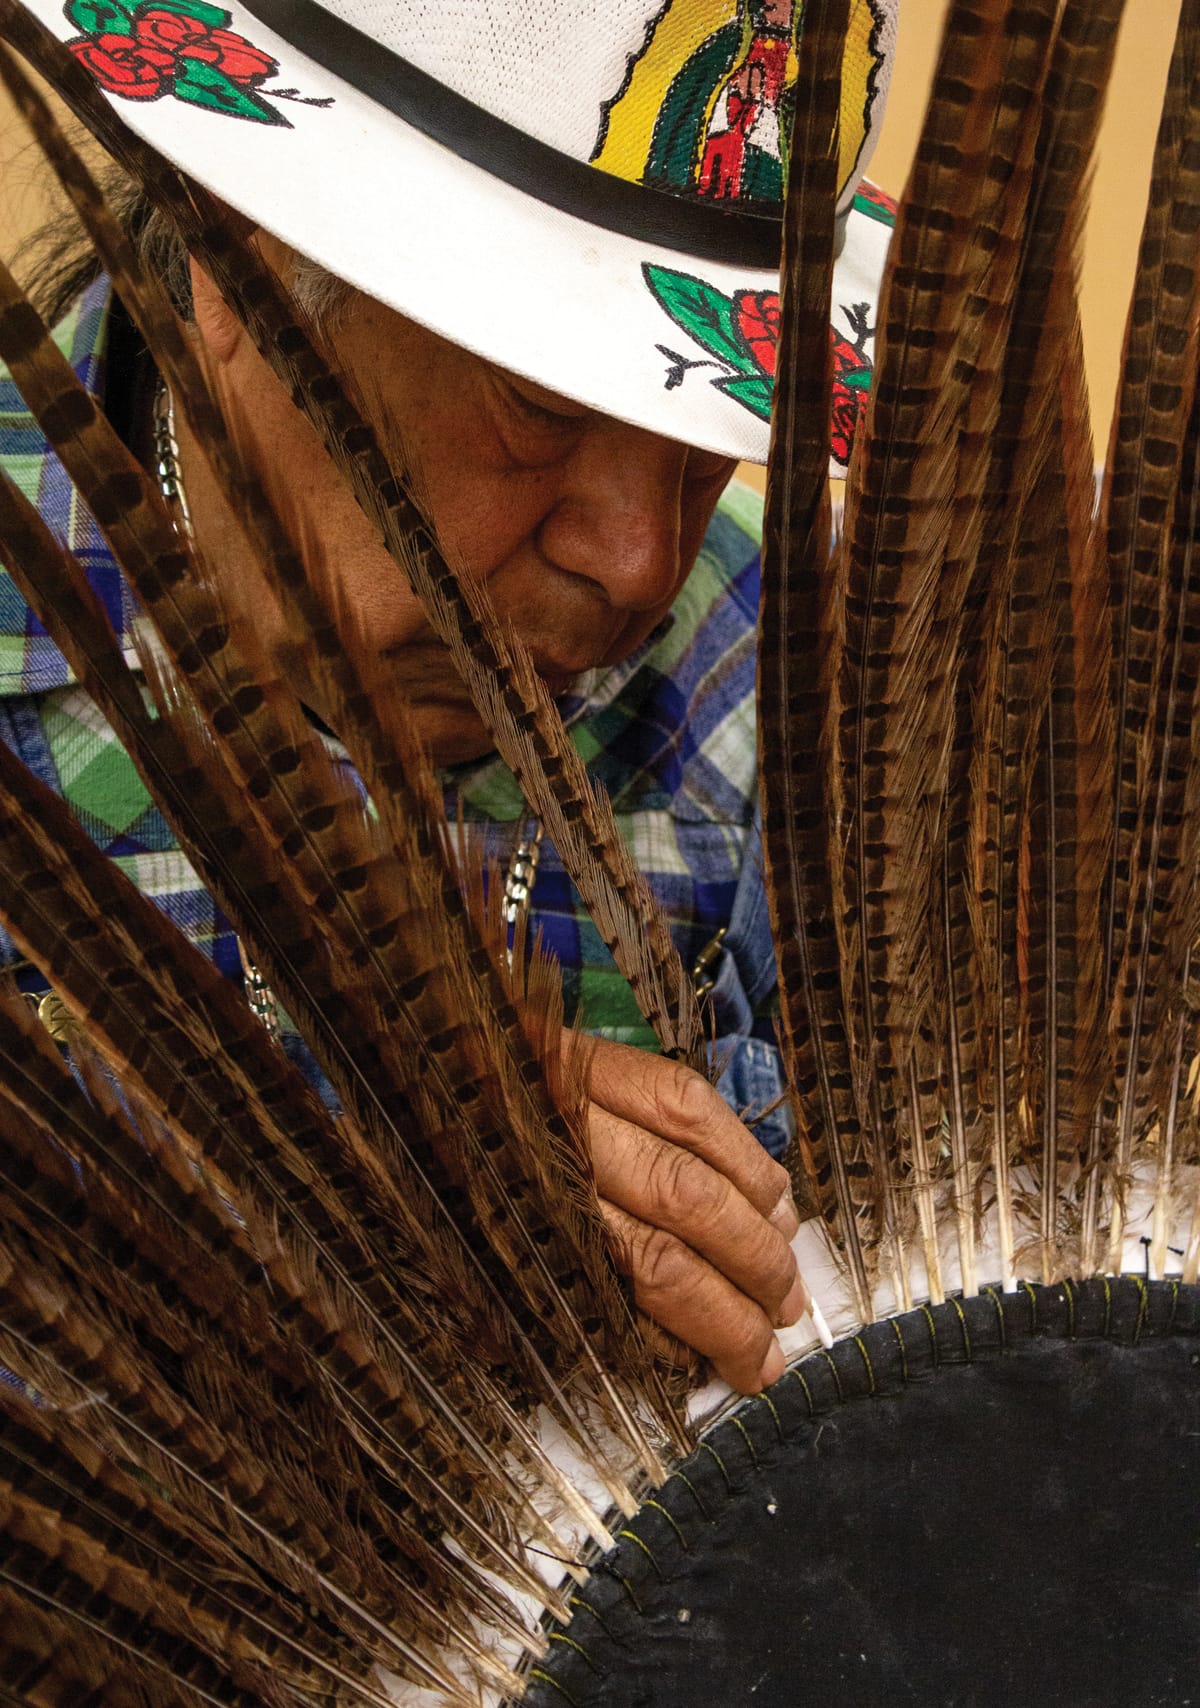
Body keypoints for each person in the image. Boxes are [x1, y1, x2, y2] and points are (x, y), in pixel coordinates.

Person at [0, 0, 897, 1393]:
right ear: (247, 261)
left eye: (715, 436)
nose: (639, 559)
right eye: (543, 403)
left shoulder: (771, 682)